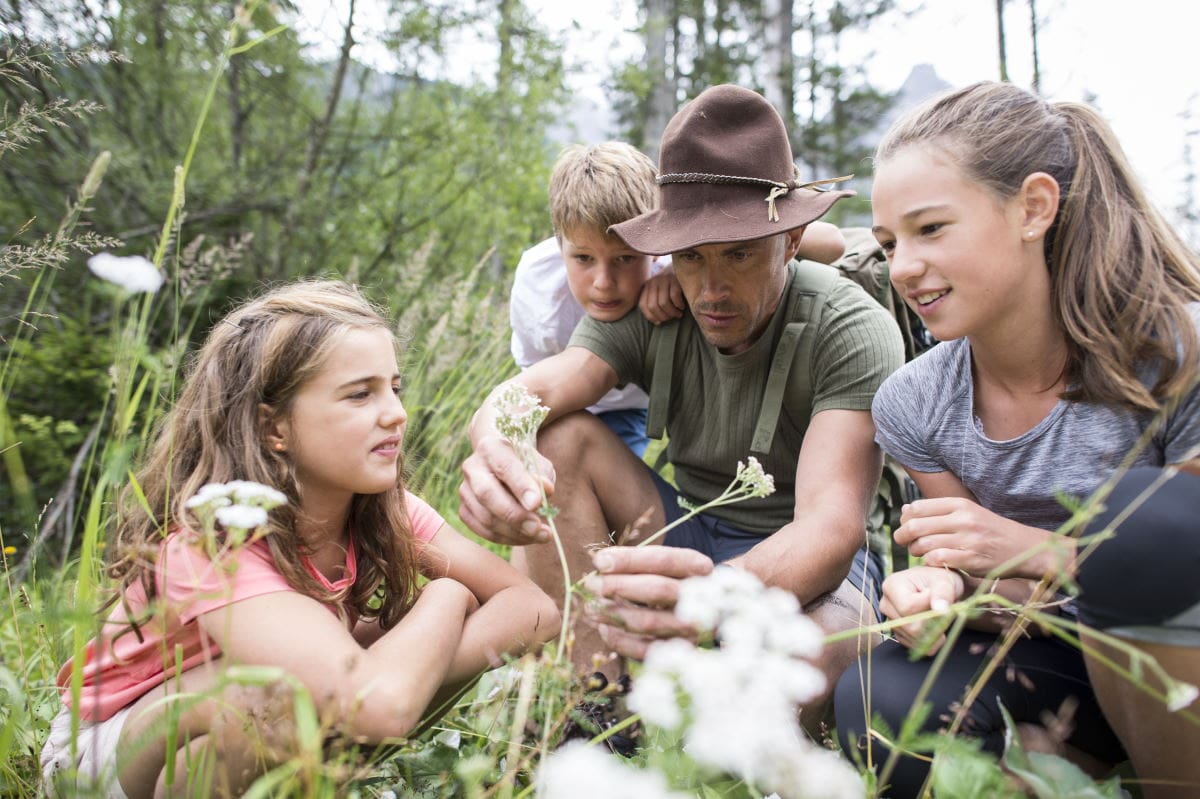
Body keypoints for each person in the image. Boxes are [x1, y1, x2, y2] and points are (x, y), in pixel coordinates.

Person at [461, 84, 905, 727]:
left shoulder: (849, 327)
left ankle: (695, 688)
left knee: (805, 678)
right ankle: (600, 710)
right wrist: (491, 445)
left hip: (825, 571)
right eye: (691, 256)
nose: (712, 287)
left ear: (791, 238)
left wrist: (702, 606)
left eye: (740, 253)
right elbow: (544, 387)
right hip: (692, 530)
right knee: (559, 436)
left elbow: (831, 532)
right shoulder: (655, 305)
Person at [41, 281, 559, 799]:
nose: (396, 413)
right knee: (275, 694)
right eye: (360, 394)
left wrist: (395, 674)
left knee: (379, 664)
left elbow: (535, 610)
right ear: (275, 428)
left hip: (268, 721)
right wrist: (448, 596)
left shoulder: (384, 509)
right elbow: (379, 708)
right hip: (105, 756)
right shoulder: (212, 541)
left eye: (394, 388)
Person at [832, 81, 1200, 798]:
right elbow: (986, 578)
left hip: (1180, 658)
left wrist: (1032, 548)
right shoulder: (914, 401)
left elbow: (1174, 559)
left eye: (930, 228)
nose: (902, 266)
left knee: (1142, 520)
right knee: (878, 696)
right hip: (1055, 661)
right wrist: (939, 587)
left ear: (1033, 208)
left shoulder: (1180, 349)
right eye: (888, 243)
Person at [510, 141, 848, 458]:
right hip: (564, 396)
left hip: (628, 407)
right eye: (583, 258)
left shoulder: (680, 260)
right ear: (560, 247)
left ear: (653, 245)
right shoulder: (538, 286)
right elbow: (536, 387)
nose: (604, 283)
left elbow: (833, 243)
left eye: (625, 258)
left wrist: (679, 268)